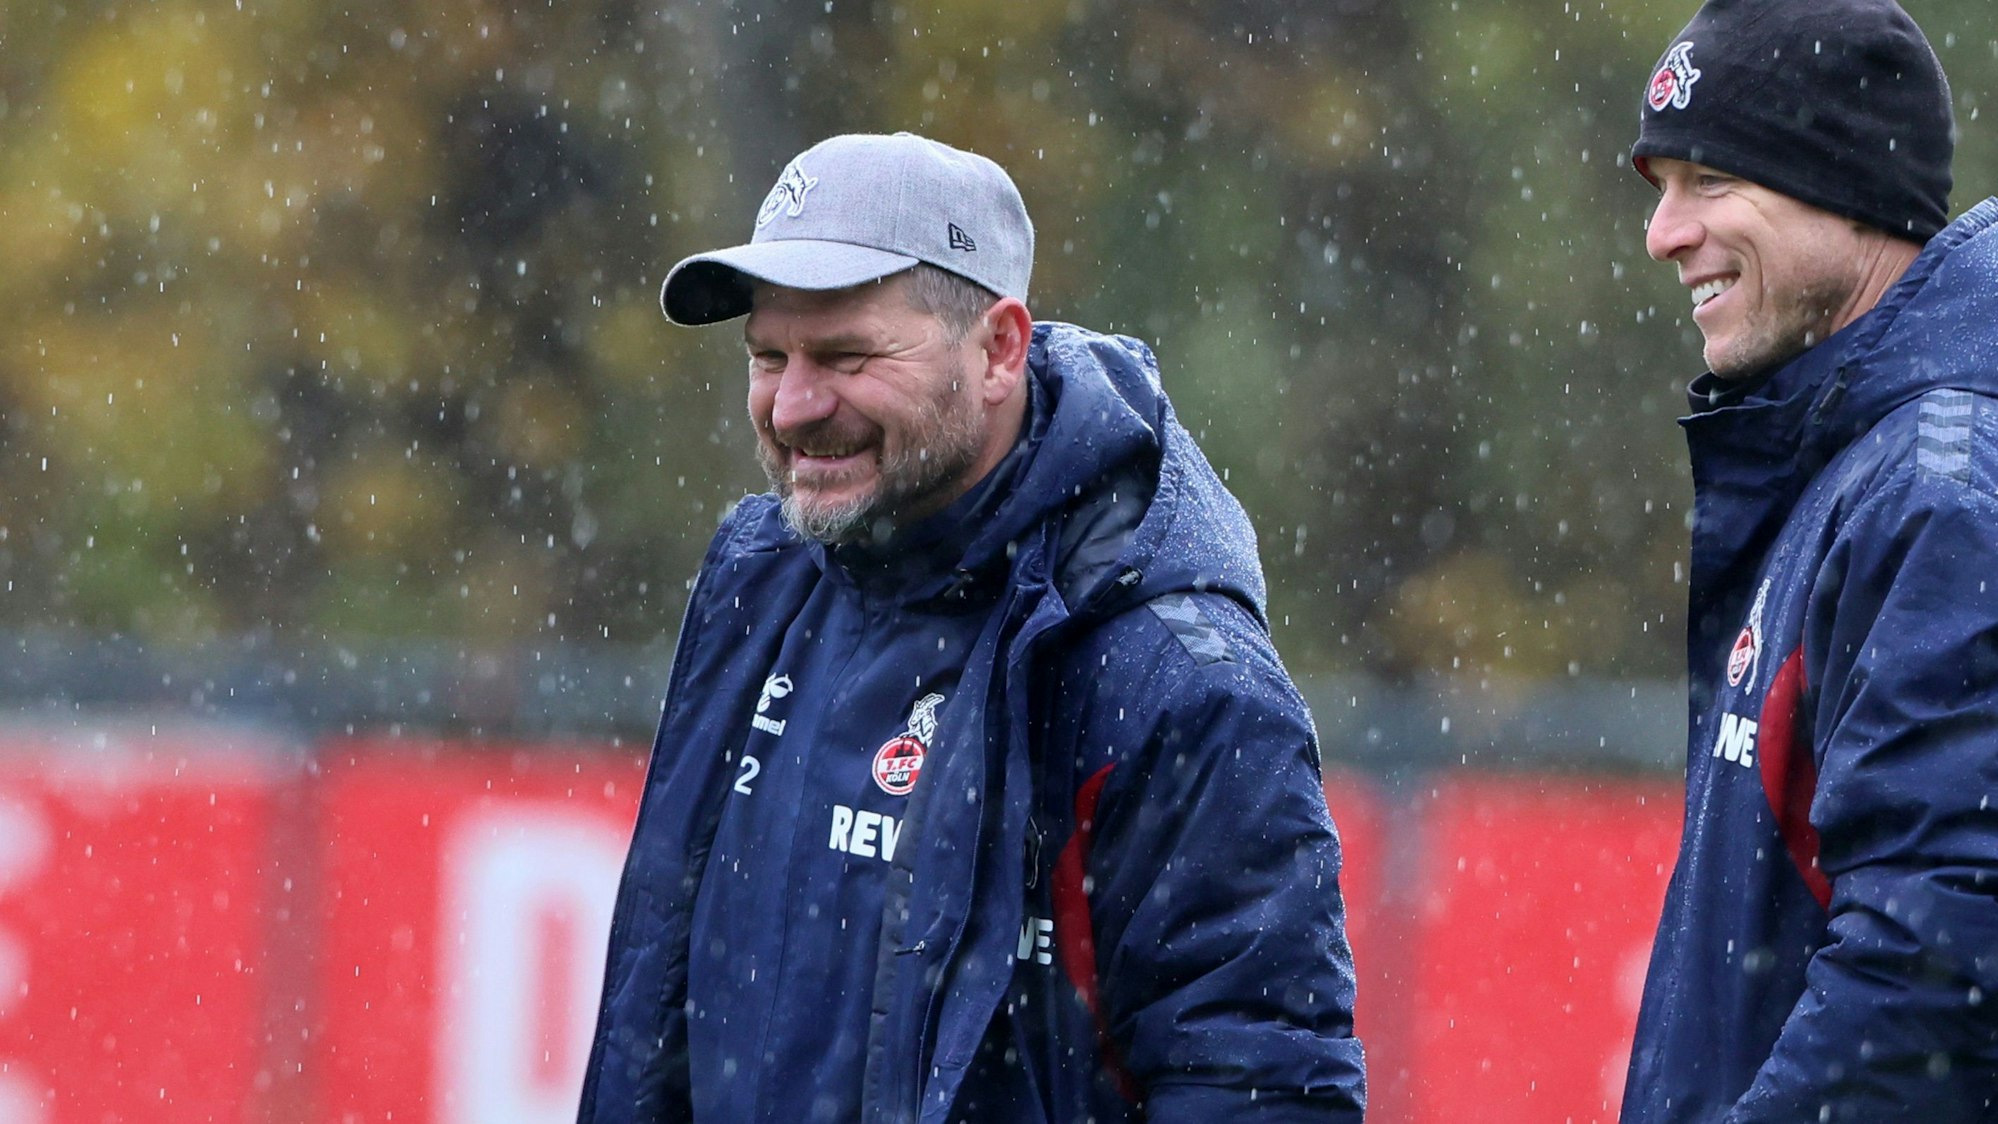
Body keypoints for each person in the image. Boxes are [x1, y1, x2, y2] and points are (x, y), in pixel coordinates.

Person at [576, 132, 1366, 1124]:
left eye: (847, 355)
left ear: (999, 349)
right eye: (767, 356)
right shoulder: (758, 582)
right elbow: (657, 1026)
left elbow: (1260, 1087)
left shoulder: (1174, 679)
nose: (794, 405)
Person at [1620, 1, 1998, 1119]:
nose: (1663, 233)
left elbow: (1933, 972)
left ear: (1849, 187)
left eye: (1709, 179)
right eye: (1661, 187)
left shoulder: (1936, 497)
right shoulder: (1848, 465)